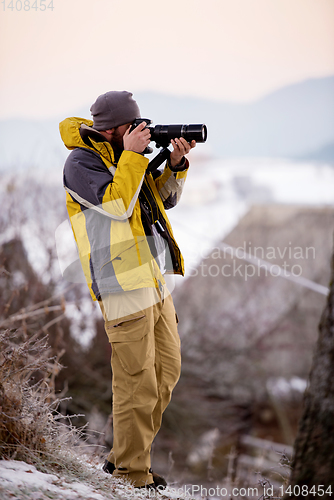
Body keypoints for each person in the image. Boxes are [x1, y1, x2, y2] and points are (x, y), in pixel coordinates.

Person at [59, 91, 195, 489]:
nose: (139, 131)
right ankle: (132, 475)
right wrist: (133, 156)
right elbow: (117, 205)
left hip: (153, 279)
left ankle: (122, 458)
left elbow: (162, 200)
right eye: (132, 126)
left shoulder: (124, 160)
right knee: (137, 382)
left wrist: (175, 164)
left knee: (165, 374)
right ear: (113, 130)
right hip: (121, 285)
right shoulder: (80, 163)